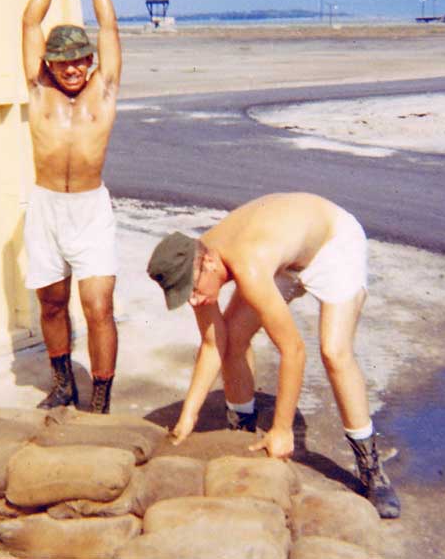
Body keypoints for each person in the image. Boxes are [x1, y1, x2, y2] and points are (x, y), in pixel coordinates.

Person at [146, 192, 400, 518]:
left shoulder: (245, 263)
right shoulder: (196, 257)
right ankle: (241, 432)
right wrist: (188, 415)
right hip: (283, 256)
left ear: (208, 263)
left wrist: (282, 430)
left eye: (192, 290)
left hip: (332, 244)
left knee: (334, 352)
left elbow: (293, 350)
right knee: (235, 339)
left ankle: (371, 467)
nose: (193, 301)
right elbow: (213, 344)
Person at [20, 0, 121, 414]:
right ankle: (63, 384)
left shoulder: (104, 90)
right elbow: (29, 23)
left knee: (99, 307)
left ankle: (100, 398)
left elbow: (109, 27)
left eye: (81, 59)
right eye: (65, 61)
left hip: (89, 210)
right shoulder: (39, 91)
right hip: (46, 210)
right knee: (53, 304)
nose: (75, 67)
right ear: (49, 64)